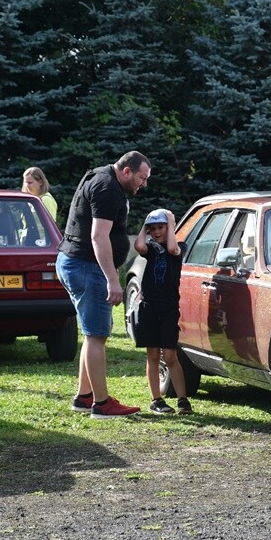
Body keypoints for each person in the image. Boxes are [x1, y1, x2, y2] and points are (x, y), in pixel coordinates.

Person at [57, 151, 151, 418]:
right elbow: (98, 237)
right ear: (126, 171)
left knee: (91, 333)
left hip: (75, 262)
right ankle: (102, 403)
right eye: (141, 178)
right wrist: (113, 280)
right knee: (98, 335)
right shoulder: (108, 188)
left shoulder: (100, 175)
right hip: (87, 266)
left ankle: (84, 397)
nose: (143, 184)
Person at [132, 208, 192, 415]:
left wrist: (172, 223)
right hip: (149, 307)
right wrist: (145, 223)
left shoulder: (179, 247)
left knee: (170, 354)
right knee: (153, 354)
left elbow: (173, 248)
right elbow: (138, 245)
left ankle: (183, 400)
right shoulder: (150, 248)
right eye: (153, 229)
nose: (156, 232)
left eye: (160, 227)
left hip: (168, 309)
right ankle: (156, 399)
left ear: (169, 228)